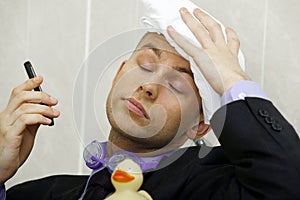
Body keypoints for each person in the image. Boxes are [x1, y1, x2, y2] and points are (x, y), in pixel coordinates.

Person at [1, 7, 300, 200]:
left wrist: (232, 78)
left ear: (200, 124)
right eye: (144, 64)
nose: (148, 87)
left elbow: (287, 185)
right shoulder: (34, 194)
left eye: (176, 83)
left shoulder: (215, 188)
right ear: (119, 73)